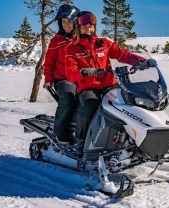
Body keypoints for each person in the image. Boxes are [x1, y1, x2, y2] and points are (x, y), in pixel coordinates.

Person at [65, 11, 156, 143]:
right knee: (91, 105)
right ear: (78, 27)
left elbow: (123, 55)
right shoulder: (72, 49)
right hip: (88, 88)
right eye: (85, 26)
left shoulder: (103, 43)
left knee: (129, 103)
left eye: (91, 26)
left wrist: (143, 61)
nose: (88, 28)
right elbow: (70, 73)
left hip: (110, 85)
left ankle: (132, 138)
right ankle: (81, 140)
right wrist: (83, 72)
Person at [43, 4, 80, 144]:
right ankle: (60, 133)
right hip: (64, 80)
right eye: (63, 22)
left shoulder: (81, 39)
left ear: (76, 21)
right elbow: (49, 63)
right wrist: (48, 79)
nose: (66, 25)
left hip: (82, 79)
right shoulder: (56, 41)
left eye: (69, 21)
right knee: (69, 98)